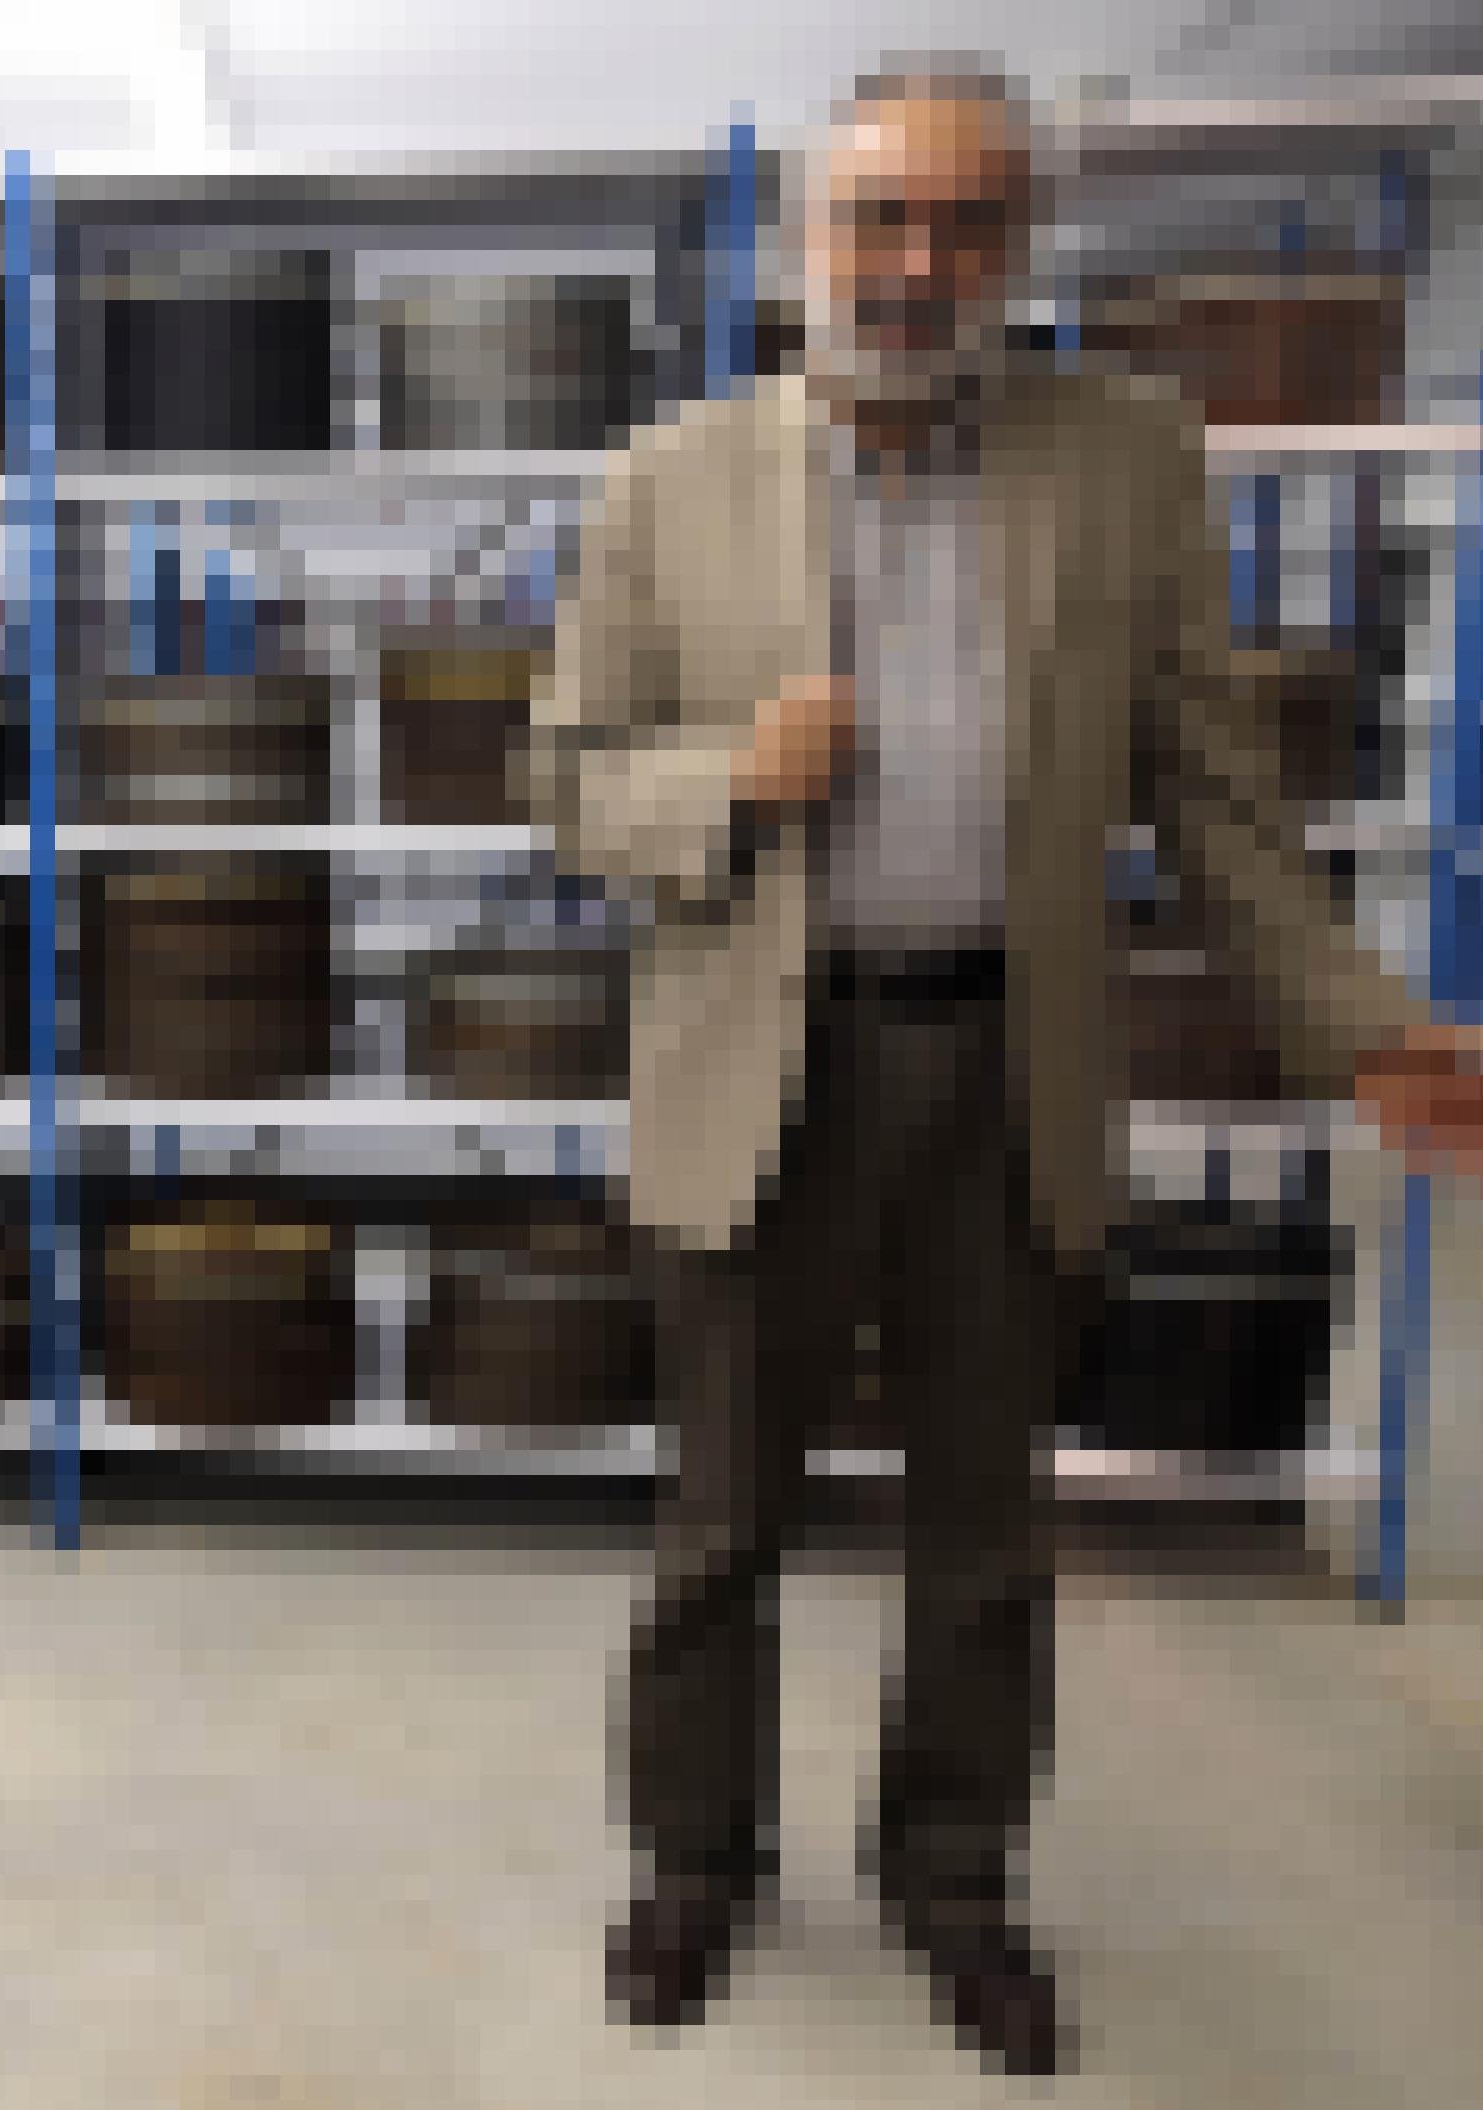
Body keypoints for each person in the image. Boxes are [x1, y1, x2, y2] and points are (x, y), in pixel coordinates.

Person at [530, 64, 1483, 2078]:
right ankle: (692, 1858)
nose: (914, 264)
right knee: (718, 1520)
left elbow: (1216, 801)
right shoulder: (664, 477)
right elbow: (561, 781)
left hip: (1006, 1072)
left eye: (961, 222)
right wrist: (725, 777)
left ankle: (952, 1877)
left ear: (1015, 243)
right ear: (805, 237)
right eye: (877, 218)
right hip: (757, 1078)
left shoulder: (1125, 458)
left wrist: (1357, 1019)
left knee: (985, 1527)